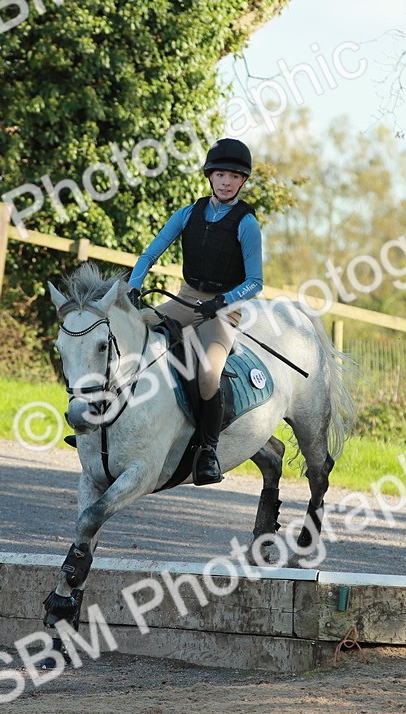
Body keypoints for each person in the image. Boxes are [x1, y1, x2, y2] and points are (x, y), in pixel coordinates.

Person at [128, 137, 264, 486]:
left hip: (223, 309)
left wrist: (222, 302)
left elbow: (256, 282)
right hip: (186, 297)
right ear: (210, 176)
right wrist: (134, 284)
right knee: (135, 332)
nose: (225, 181)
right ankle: (110, 419)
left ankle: (208, 450)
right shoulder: (188, 213)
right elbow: (150, 253)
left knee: (207, 375)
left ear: (242, 181)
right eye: (220, 175)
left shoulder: (247, 223)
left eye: (233, 177)